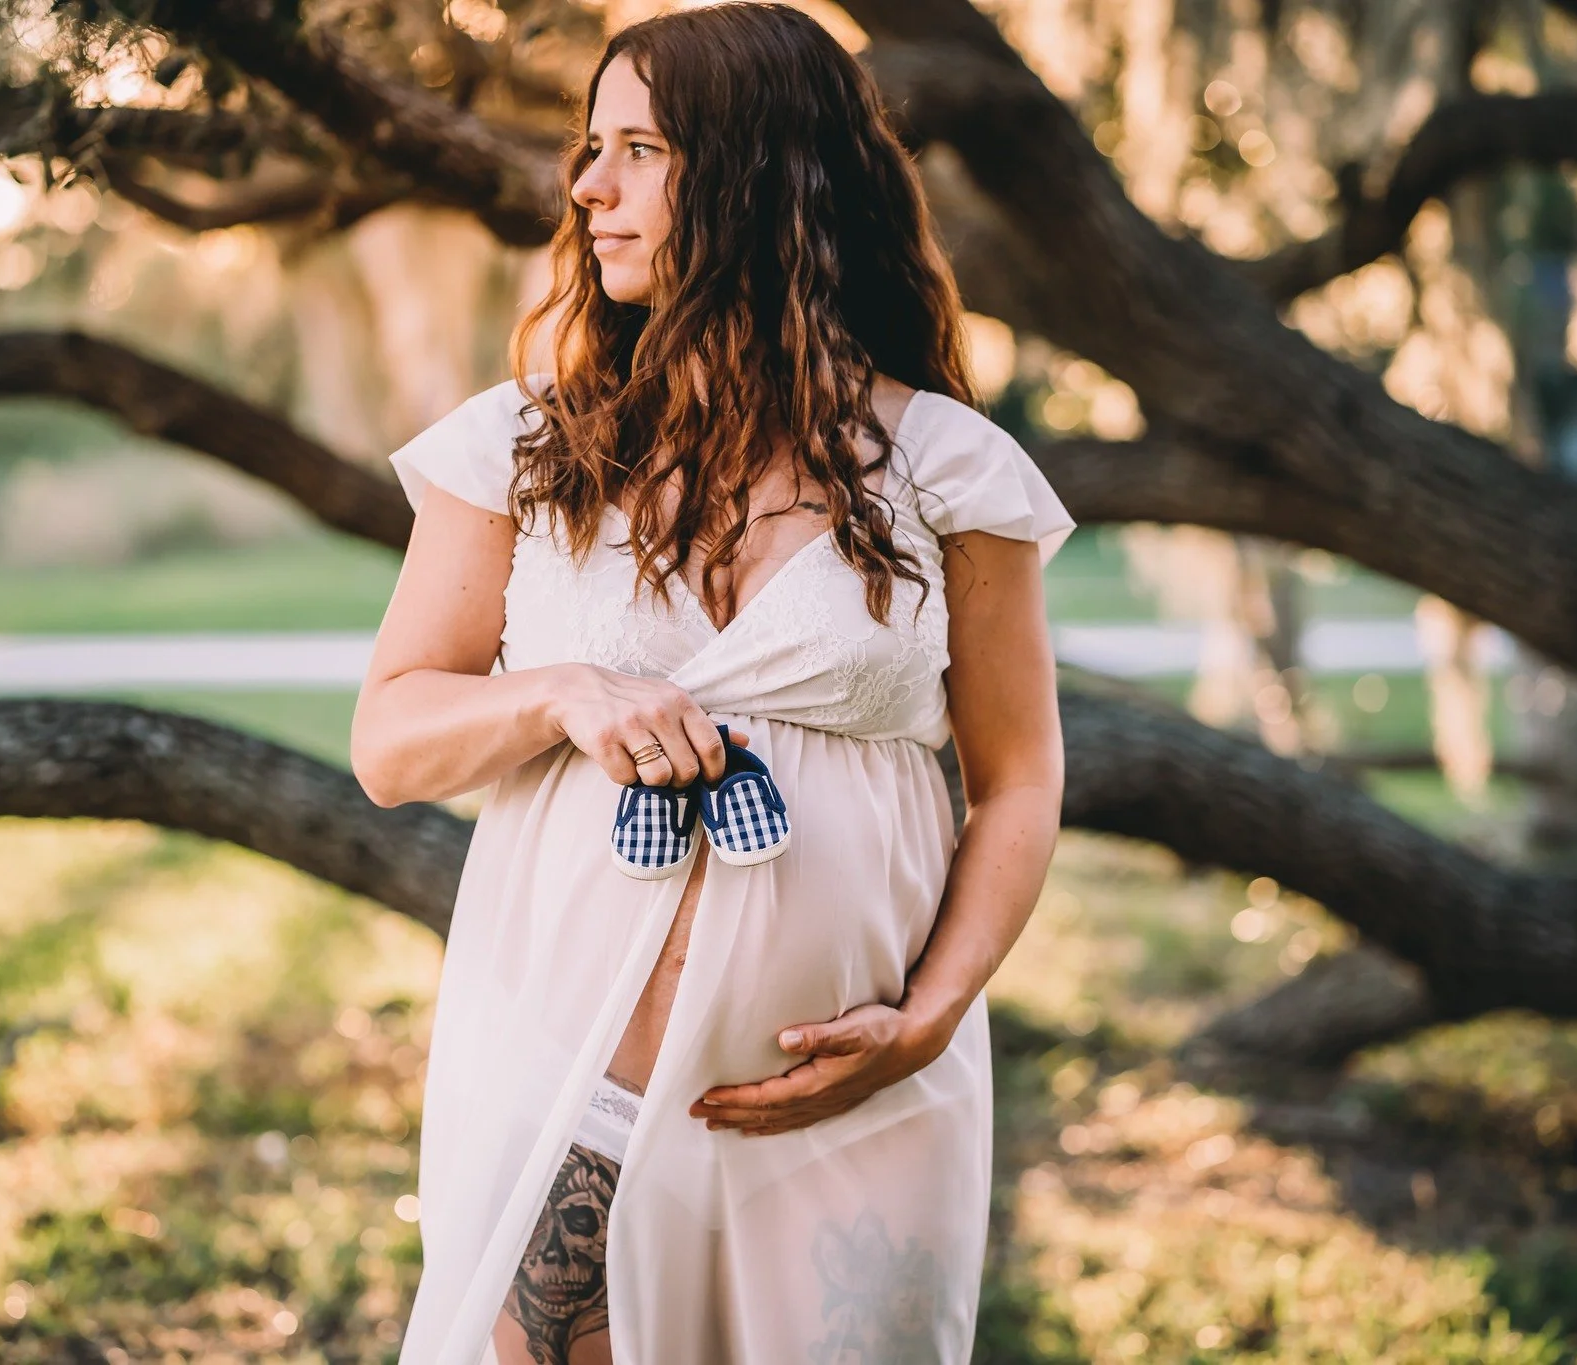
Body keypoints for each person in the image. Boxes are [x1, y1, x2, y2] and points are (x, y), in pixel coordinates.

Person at [351, 4, 1072, 1360]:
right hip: (572, 1074)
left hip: (840, 1104)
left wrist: (931, 1016)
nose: (588, 188)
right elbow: (390, 740)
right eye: (590, 148)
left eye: (638, 151)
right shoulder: (521, 450)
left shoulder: (947, 472)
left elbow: (1021, 776)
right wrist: (562, 693)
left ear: (756, 177)